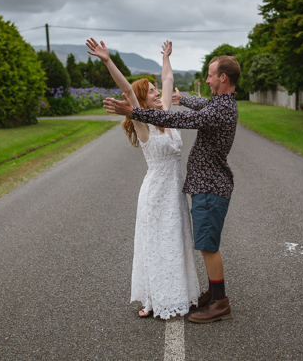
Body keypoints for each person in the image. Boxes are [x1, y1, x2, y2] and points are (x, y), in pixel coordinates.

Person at [103, 53, 240, 324]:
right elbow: (136, 89)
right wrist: (109, 61)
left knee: (203, 245)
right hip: (165, 190)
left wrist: (134, 110)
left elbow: (185, 119)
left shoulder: (218, 109)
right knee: (174, 244)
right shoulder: (218, 104)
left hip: (206, 185)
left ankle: (219, 301)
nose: (208, 79)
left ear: (223, 77)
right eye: (151, 91)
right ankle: (204, 295)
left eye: (211, 75)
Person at [86, 37, 200, 319]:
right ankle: (154, 300)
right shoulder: (143, 123)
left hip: (175, 193)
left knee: (175, 244)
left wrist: (166, 57)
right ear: (142, 100)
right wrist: (107, 60)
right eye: (151, 91)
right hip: (155, 195)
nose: (158, 92)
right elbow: (127, 89)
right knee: (156, 246)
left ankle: (177, 295)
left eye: (155, 89)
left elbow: (168, 77)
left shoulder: (168, 117)